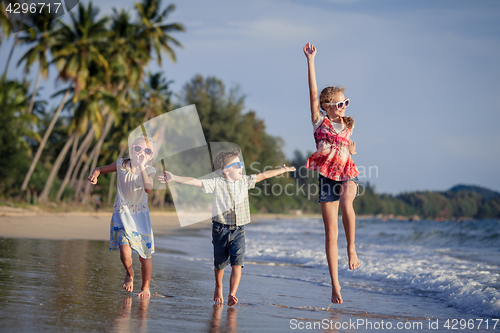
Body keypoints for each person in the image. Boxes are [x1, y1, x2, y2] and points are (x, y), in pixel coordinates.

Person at [159, 149, 296, 306]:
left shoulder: (244, 181)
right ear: (225, 171)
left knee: (237, 263)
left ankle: (232, 293)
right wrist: (174, 177)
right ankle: (219, 285)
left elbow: (263, 175)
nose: (241, 166)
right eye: (238, 164)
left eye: (241, 163)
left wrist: (283, 169)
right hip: (220, 229)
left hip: (239, 230)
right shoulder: (217, 183)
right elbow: (196, 181)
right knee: (220, 263)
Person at [303, 42, 360, 305]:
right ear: (327, 106)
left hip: (347, 173)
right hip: (327, 178)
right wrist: (311, 61)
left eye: (345, 103)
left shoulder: (347, 124)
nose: (343, 106)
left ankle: (352, 248)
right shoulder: (320, 121)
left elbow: (352, 147)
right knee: (330, 234)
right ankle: (335, 285)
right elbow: (313, 92)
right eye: (339, 104)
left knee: (348, 201)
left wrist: (351, 146)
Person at [88, 136, 156, 297]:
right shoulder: (122, 164)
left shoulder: (150, 170)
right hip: (122, 214)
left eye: (147, 151)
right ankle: (130, 273)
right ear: (132, 149)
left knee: (144, 256)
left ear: (151, 156)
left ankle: (146, 286)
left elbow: (148, 189)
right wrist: (95, 175)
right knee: (125, 254)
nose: (141, 153)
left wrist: (142, 167)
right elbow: (99, 168)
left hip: (140, 218)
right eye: (138, 149)